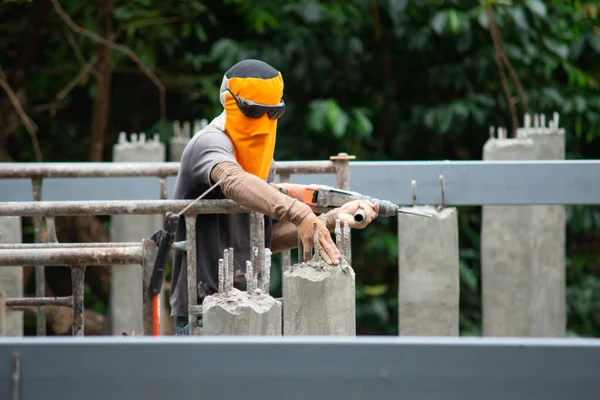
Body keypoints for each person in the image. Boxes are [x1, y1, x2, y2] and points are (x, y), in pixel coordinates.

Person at [170, 59, 379, 335]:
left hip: (253, 307)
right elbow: (233, 180)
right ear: (229, 103)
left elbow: (266, 237)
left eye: (273, 113)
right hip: (203, 313)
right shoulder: (209, 144)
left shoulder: (263, 162)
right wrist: (300, 212)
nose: (263, 123)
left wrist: (326, 221)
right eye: (254, 111)